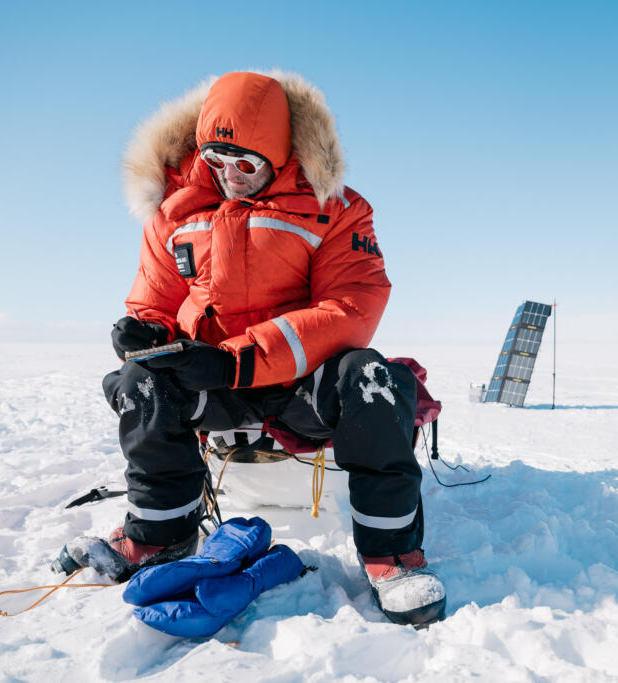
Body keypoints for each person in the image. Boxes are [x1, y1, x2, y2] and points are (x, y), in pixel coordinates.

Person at [96, 71, 444, 626]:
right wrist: (145, 335)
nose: (230, 177)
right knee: (138, 383)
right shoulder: (173, 212)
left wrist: (236, 361)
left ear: (280, 155)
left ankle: (392, 556)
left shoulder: (336, 208)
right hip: (213, 383)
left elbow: (350, 307)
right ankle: (160, 536)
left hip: (301, 387)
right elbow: (154, 303)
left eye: (246, 164)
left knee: (370, 376)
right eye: (217, 161)